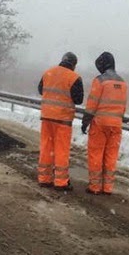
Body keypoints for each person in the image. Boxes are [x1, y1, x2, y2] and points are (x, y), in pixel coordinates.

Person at [81, 52, 128, 196]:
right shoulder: (122, 82)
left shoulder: (100, 81)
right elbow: (123, 107)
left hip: (100, 123)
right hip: (116, 125)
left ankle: (95, 186)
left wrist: (85, 121)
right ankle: (107, 187)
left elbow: (92, 104)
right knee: (111, 156)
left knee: (96, 154)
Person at [37, 52, 84, 191]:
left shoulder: (48, 72)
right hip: (63, 120)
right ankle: (61, 181)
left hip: (46, 117)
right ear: (74, 64)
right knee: (61, 150)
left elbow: (41, 90)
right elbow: (78, 99)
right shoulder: (74, 77)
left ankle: (44, 178)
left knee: (46, 148)